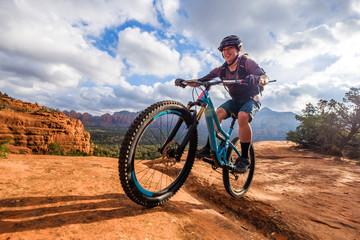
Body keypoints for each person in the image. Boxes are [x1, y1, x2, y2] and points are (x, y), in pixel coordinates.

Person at [175, 35, 269, 173]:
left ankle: (244, 158)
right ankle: (208, 148)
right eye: (224, 49)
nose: (226, 52)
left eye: (230, 48)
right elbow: (202, 80)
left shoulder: (246, 63)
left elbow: (264, 78)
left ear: (238, 49)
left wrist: (255, 79)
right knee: (216, 113)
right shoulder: (222, 70)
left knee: (243, 116)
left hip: (251, 99)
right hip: (235, 101)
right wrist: (185, 81)